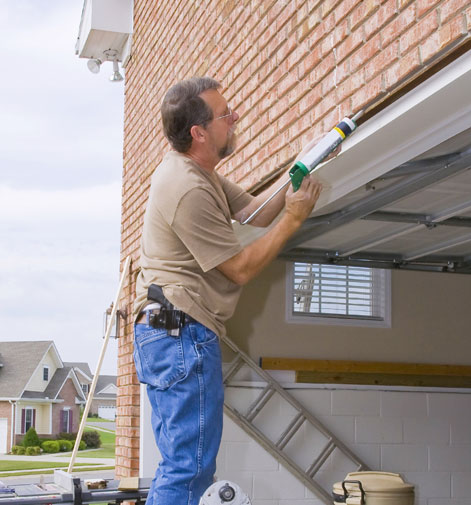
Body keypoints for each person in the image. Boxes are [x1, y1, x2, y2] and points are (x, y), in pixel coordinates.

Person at [133, 76, 322, 505]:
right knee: (188, 469)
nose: (235, 118)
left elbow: (254, 211)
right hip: (178, 332)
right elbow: (238, 269)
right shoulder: (185, 188)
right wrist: (293, 221)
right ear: (199, 133)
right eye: (225, 115)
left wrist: (305, 165)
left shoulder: (201, 174)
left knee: (185, 465)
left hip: (171, 333)